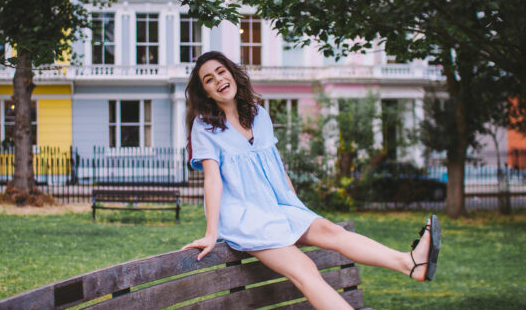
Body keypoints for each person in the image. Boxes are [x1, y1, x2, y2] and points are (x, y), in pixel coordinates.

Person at [181, 51, 441, 309]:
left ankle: (410, 263)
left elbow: (276, 167)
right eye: (208, 79)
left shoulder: (258, 115)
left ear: (233, 74)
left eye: (221, 72)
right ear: (205, 92)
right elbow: (212, 179)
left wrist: (297, 210)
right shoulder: (205, 127)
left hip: (277, 207)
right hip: (245, 219)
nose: (218, 80)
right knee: (305, 269)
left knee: (332, 230)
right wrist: (211, 233)